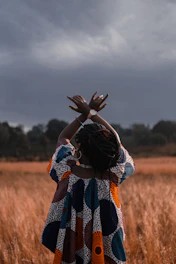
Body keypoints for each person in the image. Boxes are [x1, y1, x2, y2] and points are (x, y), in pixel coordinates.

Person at [41, 93, 135, 264]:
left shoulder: (66, 171)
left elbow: (63, 138)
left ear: (79, 149)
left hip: (72, 252)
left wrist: (84, 115)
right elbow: (117, 142)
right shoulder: (112, 175)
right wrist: (92, 114)